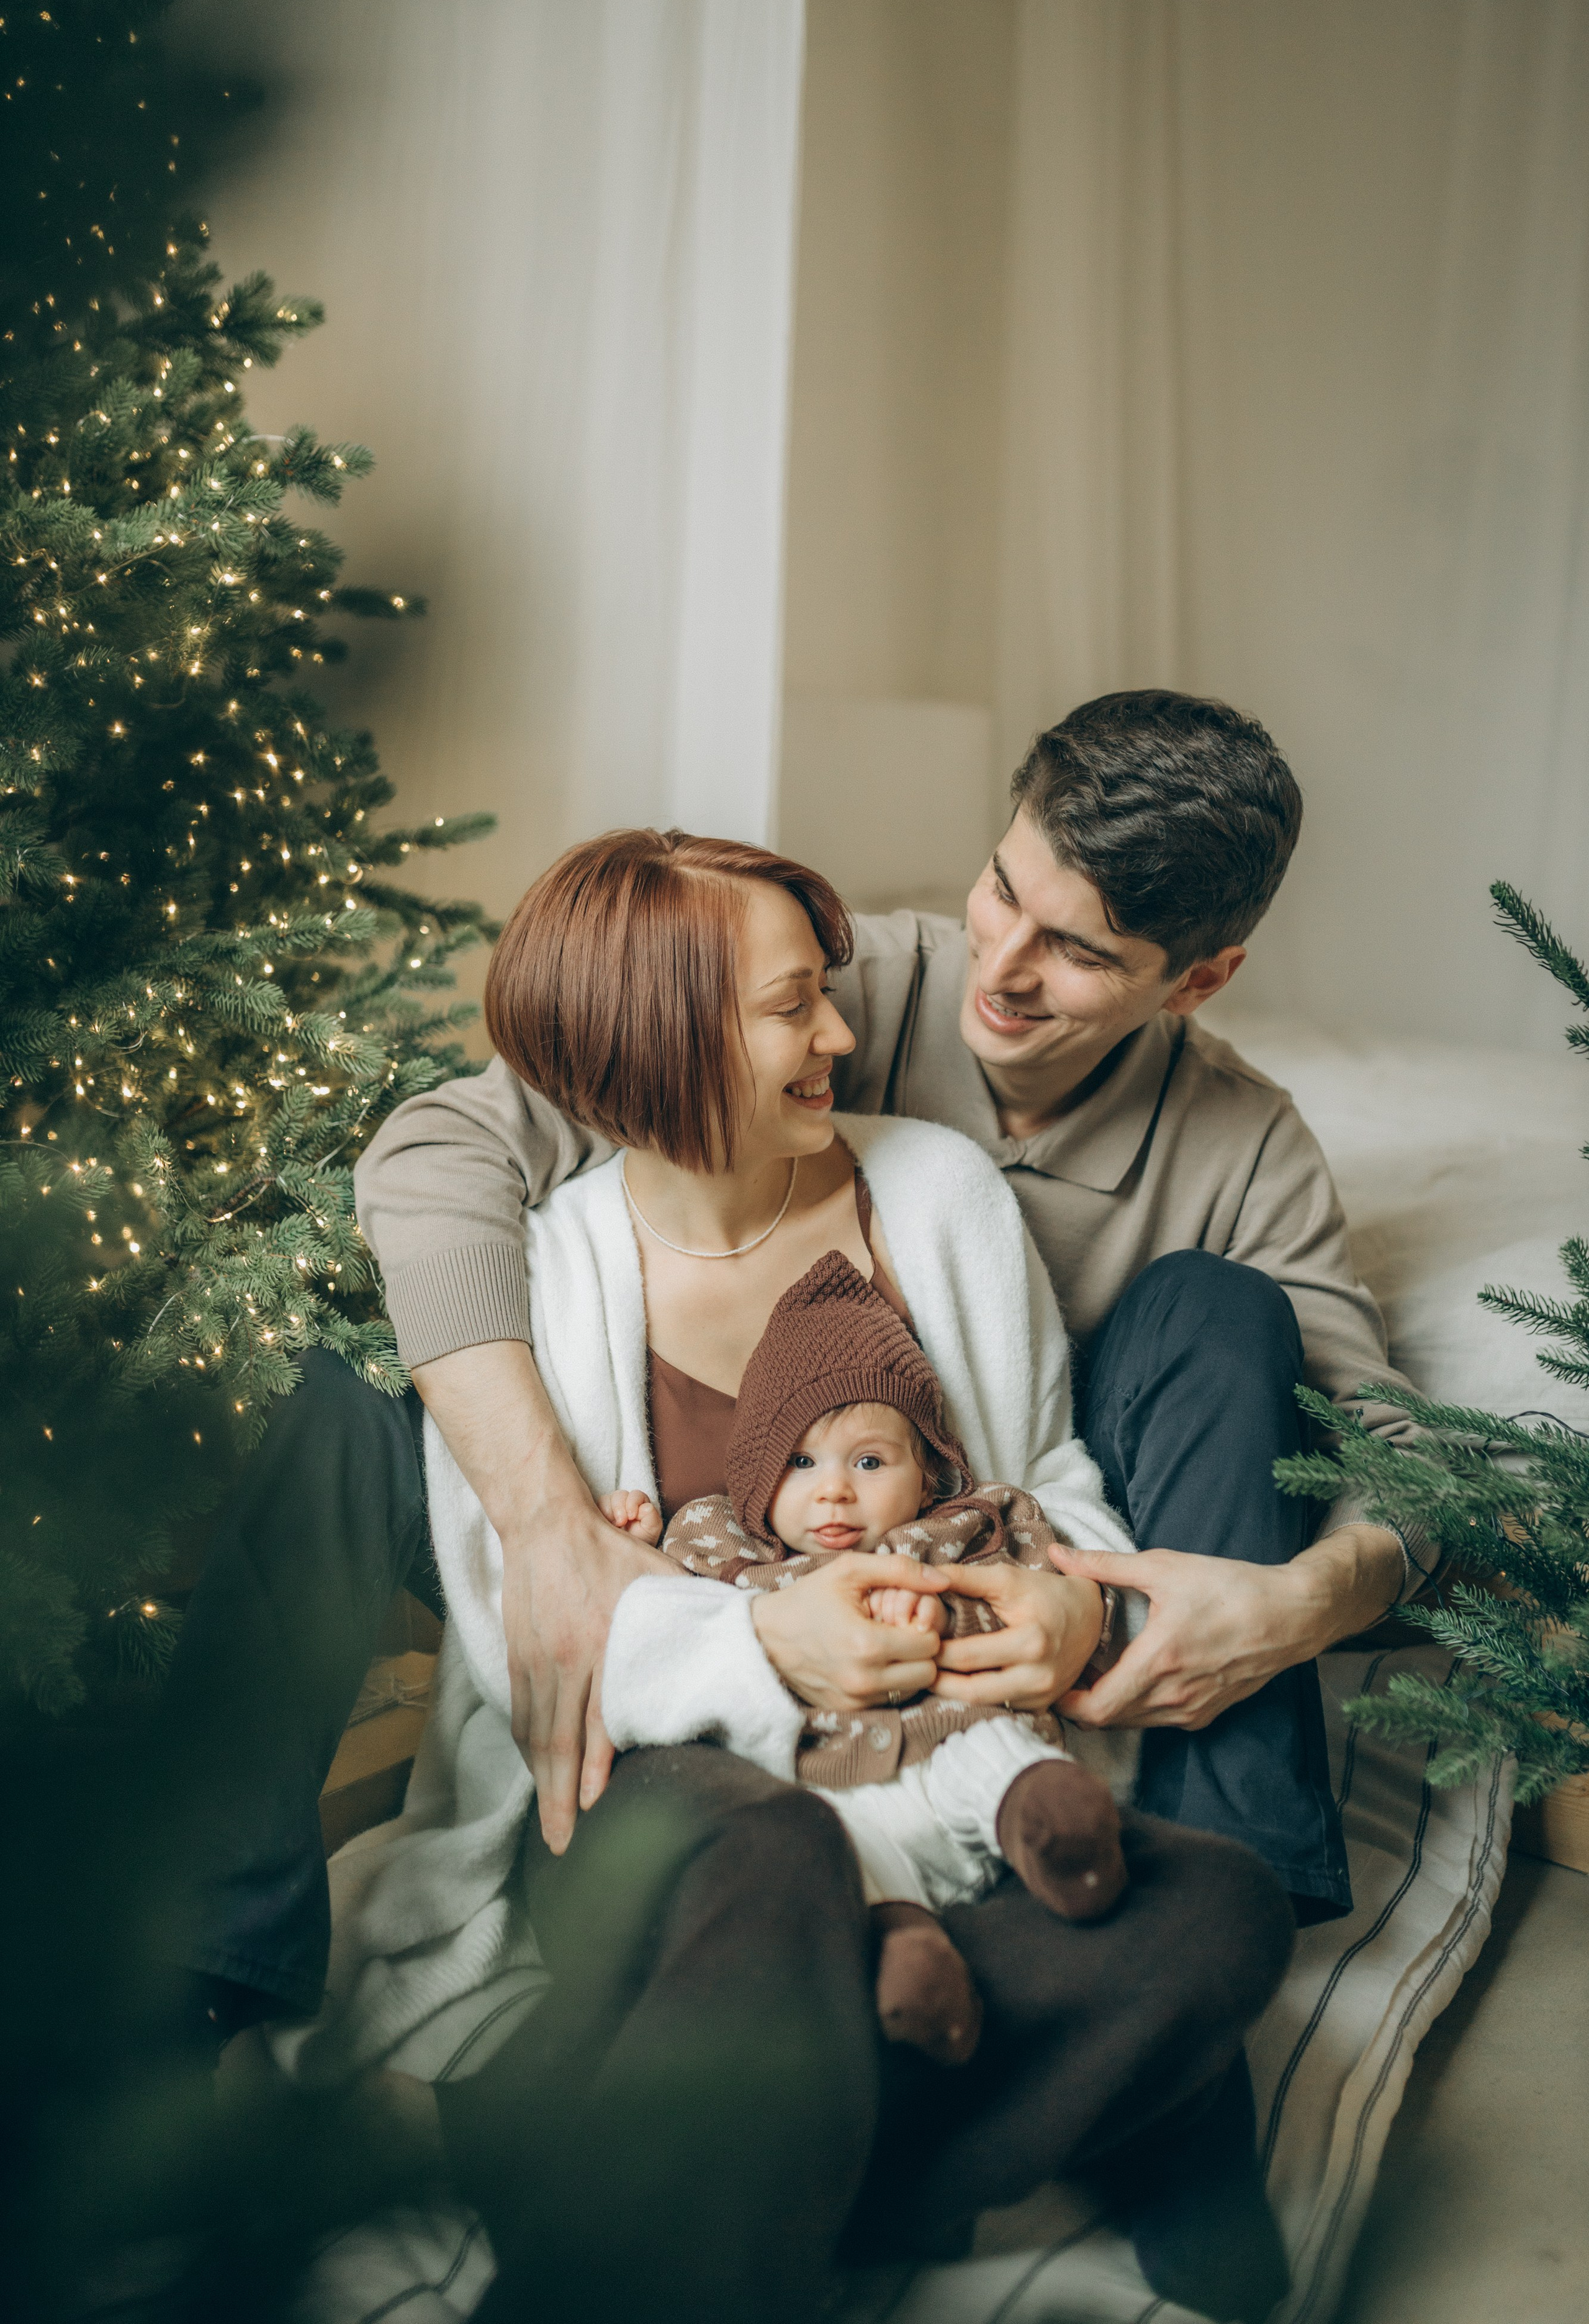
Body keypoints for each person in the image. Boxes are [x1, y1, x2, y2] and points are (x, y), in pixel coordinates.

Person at [258, 830, 1294, 2324]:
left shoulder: (933, 1193)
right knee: (779, 1858)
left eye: (827, 995)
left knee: (1216, 1910)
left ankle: (573, 2149)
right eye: (791, 1007)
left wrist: (1068, 1593)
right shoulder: (540, 1276)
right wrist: (764, 1651)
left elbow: (1043, 1470)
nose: (841, 1038)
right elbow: (519, 1629)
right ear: (662, 1035)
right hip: (659, 1793)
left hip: (929, 1778)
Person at [343, 689, 1429, 1929]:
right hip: (752, 1547)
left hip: (1026, 1521)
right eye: (1002, 891)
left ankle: (1221, 1876)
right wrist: (545, 1520)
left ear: (1199, 980)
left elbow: (1393, 1455)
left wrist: (1295, 1603)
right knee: (330, 1409)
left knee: (1221, 1311)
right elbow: (440, 1150)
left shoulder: (1244, 1146)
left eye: (1080, 953)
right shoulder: (814, 985)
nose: (1002, 971)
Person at [614, 1246, 1134, 2066]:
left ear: (927, 1475)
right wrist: (633, 1543)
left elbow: (1058, 1598)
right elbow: (666, 1623)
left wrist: (958, 1608)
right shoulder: (727, 1545)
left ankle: (1054, 1829)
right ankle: (908, 1951)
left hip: (959, 1743)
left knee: (992, 1751)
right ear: (754, 1480)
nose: (833, 1490)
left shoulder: (966, 1526)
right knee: (827, 1846)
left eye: (868, 1461)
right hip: (835, 1781)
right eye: (799, 1462)